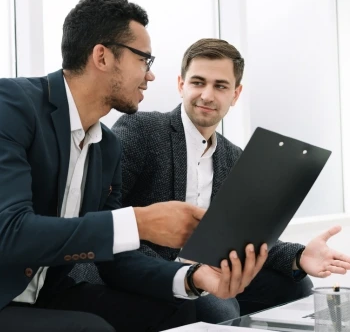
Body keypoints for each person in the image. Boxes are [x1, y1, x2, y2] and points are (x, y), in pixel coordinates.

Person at [0, 0, 270, 332]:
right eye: (144, 60)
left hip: (49, 293)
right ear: (103, 56)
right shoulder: (11, 105)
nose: (151, 74)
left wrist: (194, 278)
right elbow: (9, 233)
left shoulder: (107, 145)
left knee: (183, 312)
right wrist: (138, 222)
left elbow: (116, 258)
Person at [111, 38, 350, 322]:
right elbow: (107, 217)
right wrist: (187, 274)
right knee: (218, 307)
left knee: (297, 285)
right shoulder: (142, 130)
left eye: (220, 86)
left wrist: (299, 257)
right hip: (150, 269)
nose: (207, 95)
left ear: (235, 95)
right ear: (181, 85)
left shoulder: (231, 155)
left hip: (213, 267)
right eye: (198, 82)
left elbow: (245, 235)